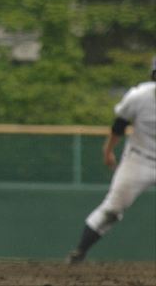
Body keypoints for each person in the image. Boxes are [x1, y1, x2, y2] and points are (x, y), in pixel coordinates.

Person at [66, 56, 156, 264]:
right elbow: (119, 125)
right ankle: (79, 252)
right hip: (139, 160)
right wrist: (108, 151)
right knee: (112, 209)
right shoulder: (139, 96)